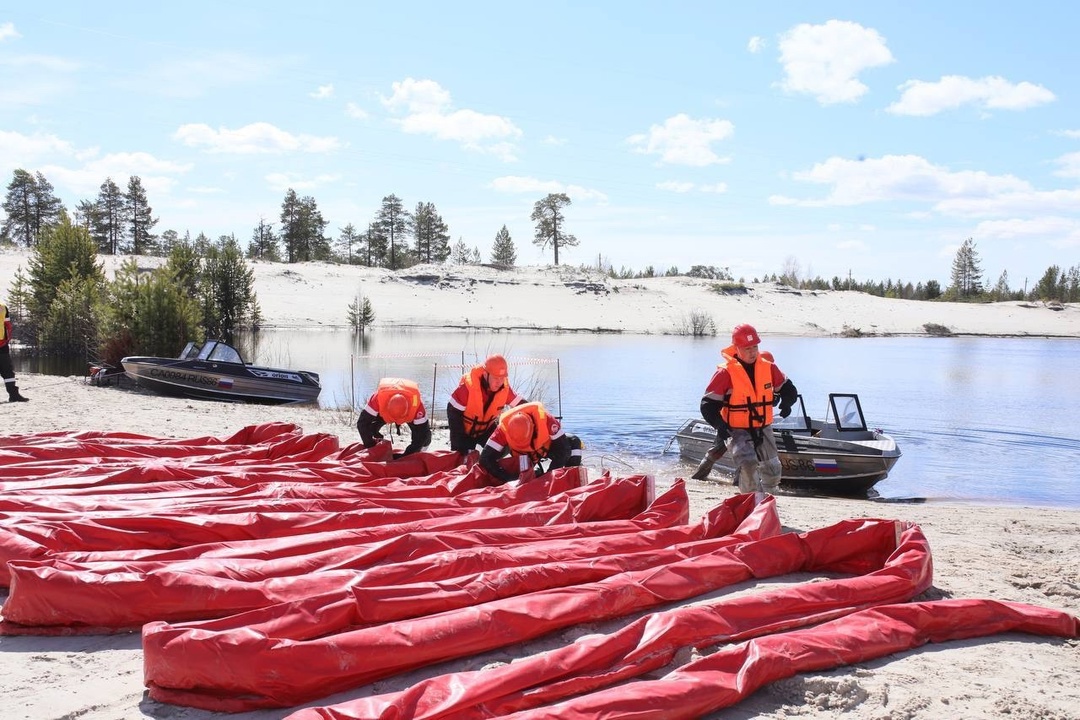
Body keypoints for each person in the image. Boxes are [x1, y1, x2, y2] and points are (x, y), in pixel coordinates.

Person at [693, 323, 797, 493]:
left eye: (755, 346)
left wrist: (787, 403)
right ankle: (749, 499)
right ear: (736, 348)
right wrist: (720, 425)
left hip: (763, 426)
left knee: (773, 470)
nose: (752, 352)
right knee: (748, 464)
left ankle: (769, 497)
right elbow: (708, 405)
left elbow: (789, 389)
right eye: (747, 348)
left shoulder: (769, 367)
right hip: (736, 429)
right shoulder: (725, 373)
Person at [479, 401, 582, 483]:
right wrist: (506, 477)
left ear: (533, 427)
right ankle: (533, 476)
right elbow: (485, 458)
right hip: (524, 458)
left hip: (546, 448)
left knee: (574, 441)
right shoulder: (502, 429)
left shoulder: (546, 420)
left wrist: (549, 476)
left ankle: (571, 479)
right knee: (528, 477)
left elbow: (563, 450)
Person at [446, 354, 524, 455]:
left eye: (502, 378)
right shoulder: (467, 389)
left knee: (504, 447)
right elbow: (453, 414)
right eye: (496, 378)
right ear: (485, 374)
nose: (499, 382)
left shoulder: (505, 390)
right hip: (464, 431)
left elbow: (522, 405)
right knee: (461, 457)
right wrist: (460, 445)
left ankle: (489, 464)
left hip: (486, 430)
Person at [356, 377, 431, 457]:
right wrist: (370, 445)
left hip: (410, 413)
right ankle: (375, 440)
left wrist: (406, 456)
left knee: (426, 438)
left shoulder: (416, 405)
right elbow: (362, 424)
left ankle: (419, 455)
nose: (397, 421)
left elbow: (422, 435)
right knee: (368, 427)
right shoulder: (377, 399)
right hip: (385, 411)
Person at [0, 302, 29, 403]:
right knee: (8, 371)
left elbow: (8, 325)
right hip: (2, 344)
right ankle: (14, 395)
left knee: (8, 372)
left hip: (2, 345)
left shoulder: (3, 308)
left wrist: (7, 340)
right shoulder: (2, 308)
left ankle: (14, 395)